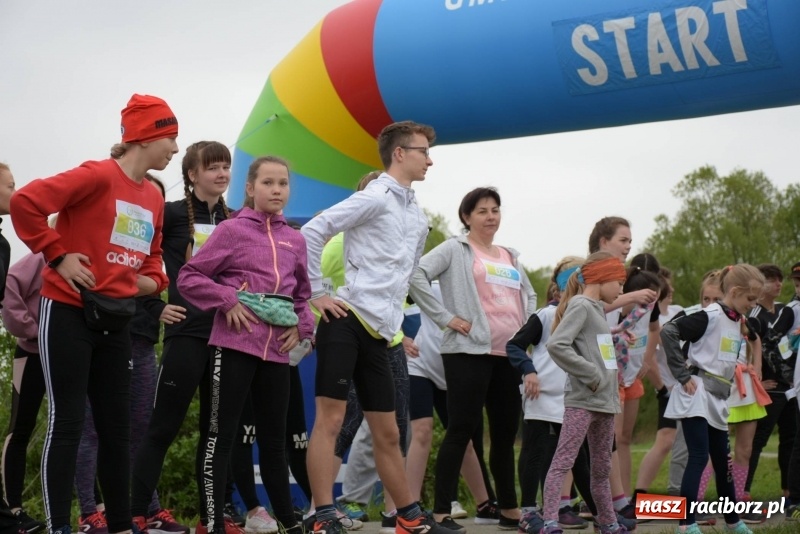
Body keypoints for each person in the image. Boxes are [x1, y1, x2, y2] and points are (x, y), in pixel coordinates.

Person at [9, 94, 174, 534]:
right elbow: (25, 202)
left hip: (116, 321)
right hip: (65, 310)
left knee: (116, 428)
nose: (175, 149)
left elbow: (154, 259)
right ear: (146, 136)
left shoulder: (154, 198)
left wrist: (152, 282)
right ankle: (59, 525)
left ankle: (121, 524)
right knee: (67, 423)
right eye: (170, 138)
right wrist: (57, 255)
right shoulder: (97, 175)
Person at [301, 120, 448, 534]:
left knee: (388, 432)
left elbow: (407, 275)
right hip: (346, 320)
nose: (430, 160)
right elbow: (314, 230)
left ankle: (407, 515)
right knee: (330, 422)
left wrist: (401, 319)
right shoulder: (376, 196)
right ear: (399, 153)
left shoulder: (416, 213)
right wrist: (315, 293)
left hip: (383, 334)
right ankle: (322, 515)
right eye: (423, 151)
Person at [178, 155, 314, 534]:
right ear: (250, 189)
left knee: (273, 442)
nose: (276, 190)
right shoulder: (231, 231)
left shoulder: (295, 239)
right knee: (221, 437)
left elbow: (302, 296)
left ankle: (290, 523)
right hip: (234, 346)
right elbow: (189, 278)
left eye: (283, 184)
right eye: (268, 183)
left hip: (277, 354)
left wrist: (303, 329)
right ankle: (212, 523)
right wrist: (227, 299)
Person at [130, 141, 245, 534]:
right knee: (162, 427)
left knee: (218, 434)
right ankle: (134, 512)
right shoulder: (173, 213)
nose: (221, 173)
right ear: (192, 174)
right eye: (212, 167)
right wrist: (154, 307)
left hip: (229, 337)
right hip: (186, 334)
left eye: (226, 166)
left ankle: (211, 519)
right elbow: (132, 260)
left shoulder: (239, 220)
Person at [409, 187, 536, 531]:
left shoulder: (509, 255)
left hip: (506, 356)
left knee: (505, 434)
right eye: (482, 211)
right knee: (461, 429)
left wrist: (526, 332)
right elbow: (416, 274)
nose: (490, 216)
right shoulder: (455, 248)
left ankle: (509, 510)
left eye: (495, 209)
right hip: (468, 353)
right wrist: (445, 318)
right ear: (467, 217)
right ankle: (439, 514)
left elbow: (529, 293)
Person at [74, 175, 189, 534]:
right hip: (101, 335)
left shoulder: (150, 243)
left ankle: (147, 508)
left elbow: (154, 280)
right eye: (145, 198)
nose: (151, 206)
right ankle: (88, 514)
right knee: (92, 429)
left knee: (140, 427)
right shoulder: (116, 230)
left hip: (140, 339)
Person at [662, 264, 765, 534]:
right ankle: (686, 523)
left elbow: (751, 343)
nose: (753, 305)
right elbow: (669, 331)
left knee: (723, 460)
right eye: (750, 299)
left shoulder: (737, 320)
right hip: (697, 393)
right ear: (734, 291)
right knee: (698, 456)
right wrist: (682, 375)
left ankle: (733, 520)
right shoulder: (710, 316)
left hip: (719, 397)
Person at [541, 252, 627, 534]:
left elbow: (597, 350)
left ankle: (607, 523)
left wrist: (609, 379)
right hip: (583, 402)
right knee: (563, 461)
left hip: (604, 403)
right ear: (602, 276)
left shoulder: (597, 309)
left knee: (601, 469)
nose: (621, 290)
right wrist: (591, 375)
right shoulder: (581, 305)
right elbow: (557, 345)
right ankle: (550, 522)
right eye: (619, 282)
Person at [0, 163, 42, 534]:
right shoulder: (35, 261)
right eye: (11, 186)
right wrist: (33, 333)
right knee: (20, 429)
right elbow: (10, 299)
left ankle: (93, 506)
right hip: (29, 355)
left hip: (64, 356)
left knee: (76, 428)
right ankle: (12, 508)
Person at [745, 264, 798, 503]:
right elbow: (750, 348)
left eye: (780, 279)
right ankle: (744, 491)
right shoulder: (754, 314)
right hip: (769, 388)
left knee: (790, 439)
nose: (778, 284)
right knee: (757, 440)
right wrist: (755, 380)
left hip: (790, 388)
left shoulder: (785, 310)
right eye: (771, 279)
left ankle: (788, 490)